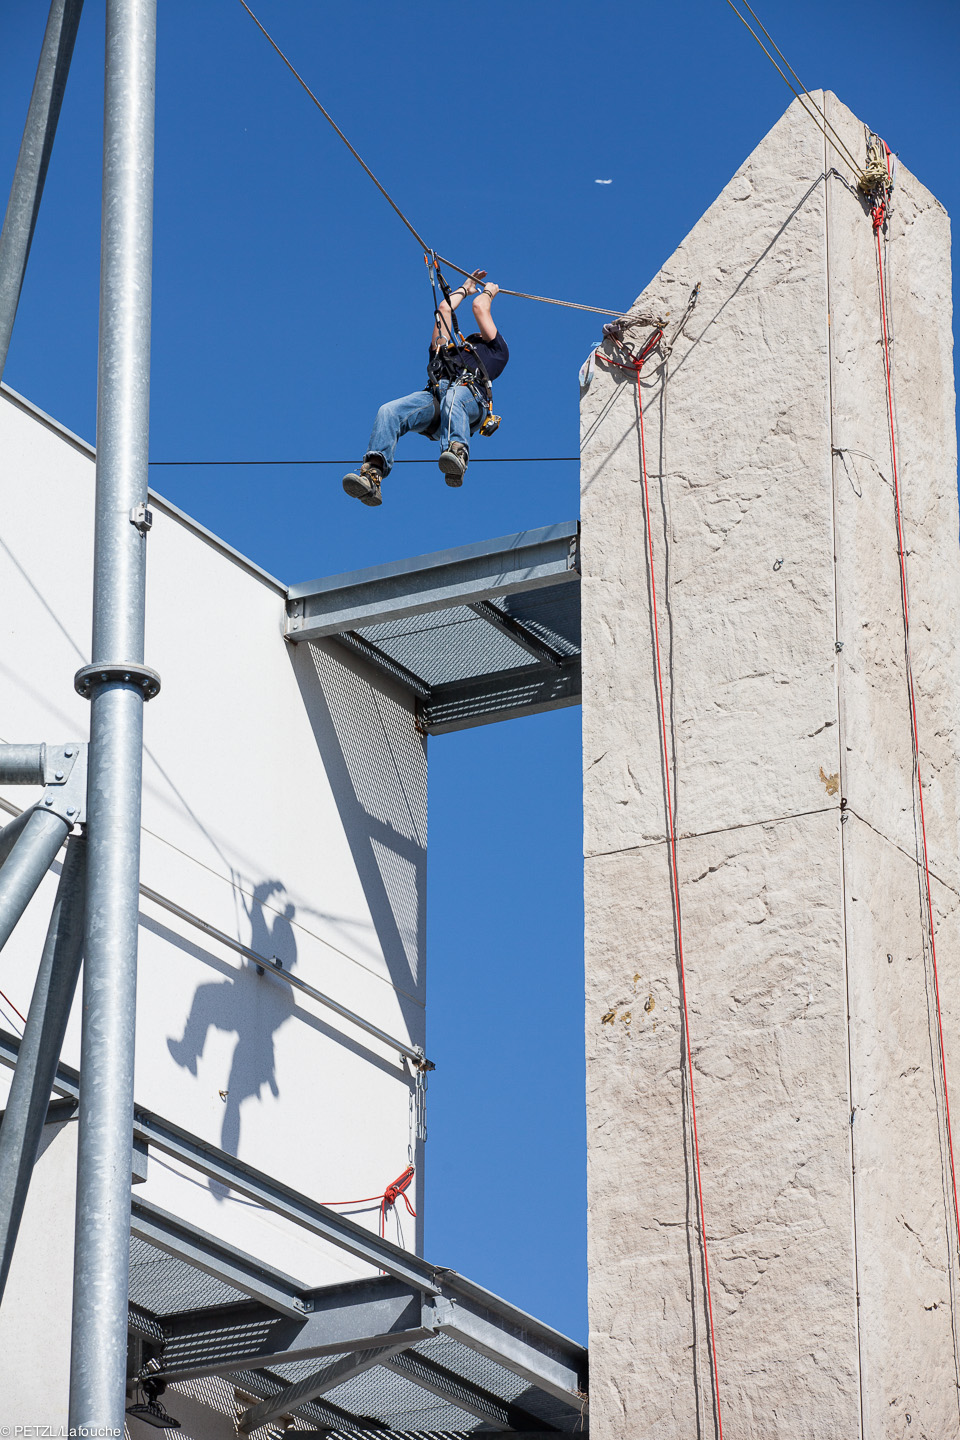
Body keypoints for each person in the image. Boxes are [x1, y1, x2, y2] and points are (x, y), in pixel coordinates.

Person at [343, 269, 509, 507]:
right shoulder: (445, 352)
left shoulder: (495, 352)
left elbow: (479, 308)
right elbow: (443, 310)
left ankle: (457, 452)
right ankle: (372, 475)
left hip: (470, 401)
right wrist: (466, 287)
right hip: (436, 400)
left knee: (456, 395)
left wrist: (489, 293)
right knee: (388, 411)